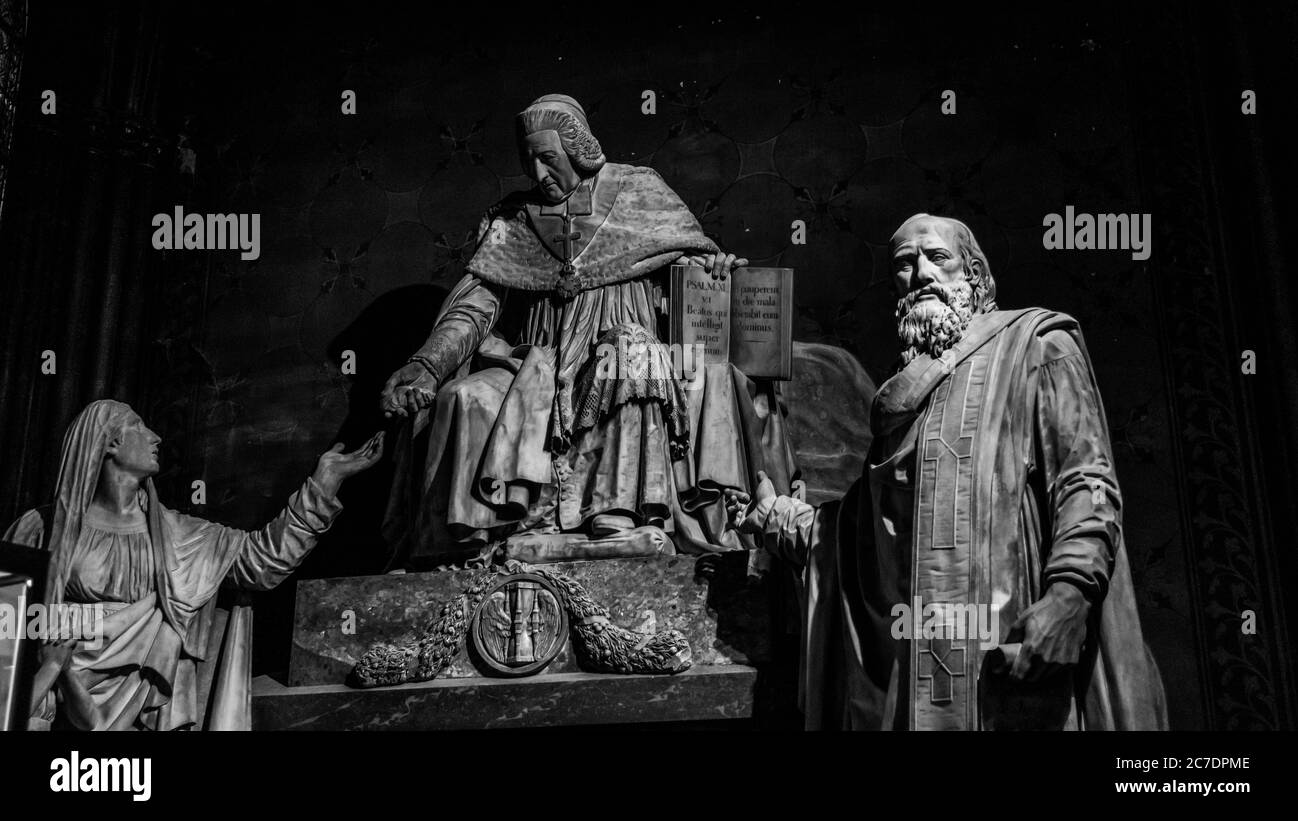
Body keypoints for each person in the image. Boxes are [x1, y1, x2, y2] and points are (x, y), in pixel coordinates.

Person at [725, 214, 1168, 730]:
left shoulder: (1035, 344)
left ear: (974, 274)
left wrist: (1069, 597)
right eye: (904, 264)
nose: (921, 273)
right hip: (920, 668)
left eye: (937, 257)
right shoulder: (905, 399)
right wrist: (775, 516)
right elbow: (861, 536)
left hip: (1012, 644)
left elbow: (1084, 481)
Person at [381, 94, 796, 567]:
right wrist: (427, 364)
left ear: (577, 150)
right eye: (528, 160)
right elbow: (474, 308)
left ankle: (615, 514)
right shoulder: (513, 220)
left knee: (627, 353)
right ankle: (468, 552)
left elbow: (693, 271)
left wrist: (715, 270)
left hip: (626, 346)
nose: (538, 174)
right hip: (541, 363)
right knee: (465, 398)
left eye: (548, 158)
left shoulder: (638, 191)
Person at [3, 399, 383, 730]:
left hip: (145, 701)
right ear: (111, 441)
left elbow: (264, 560)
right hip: (54, 707)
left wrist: (323, 483)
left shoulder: (182, 537)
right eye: (138, 426)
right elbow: (6, 636)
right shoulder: (38, 530)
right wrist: (51, 663)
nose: (156, 437)